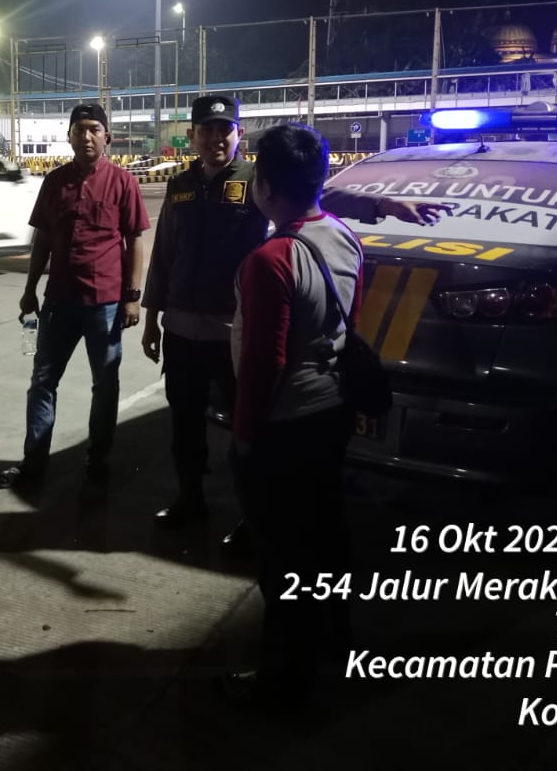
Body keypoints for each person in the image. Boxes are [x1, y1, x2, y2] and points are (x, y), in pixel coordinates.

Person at [142, 95, 445, 538]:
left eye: (225, 130)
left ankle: (252, 518)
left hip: (233, 329)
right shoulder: (179, 185)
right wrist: (151, 315)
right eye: (206, 130)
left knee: (249, 426)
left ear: (239, 135)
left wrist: (383, 205)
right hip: (182, 328)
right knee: (184, 423)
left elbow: (317, 192)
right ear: (192, 135)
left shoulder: (258, 179)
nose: (216, 139)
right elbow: (165, 253)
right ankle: (190, 498)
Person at [215, 121, 362, 711]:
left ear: (267, 187)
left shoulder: (271, 259)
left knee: (282, 559)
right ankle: (335, 642)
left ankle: (284, 680)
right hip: (331, 410)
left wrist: (245, 436)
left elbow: (263, 363)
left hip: (285, 425)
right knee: (325, 537)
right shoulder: (342, 236)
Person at [0, 103, 150, 489]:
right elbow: (43, 239)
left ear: (107, 136)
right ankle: (34, 463)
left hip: (105, 304)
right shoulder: (55, 182)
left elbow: (135, 241)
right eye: (79, 130)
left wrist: (132, 297)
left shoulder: (123, 183)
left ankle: (97, 460)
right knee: (43, 381)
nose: (87, 136)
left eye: (94, 129)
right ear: (69, 137)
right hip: (58, 302)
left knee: (105, 385)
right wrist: (29, 290)